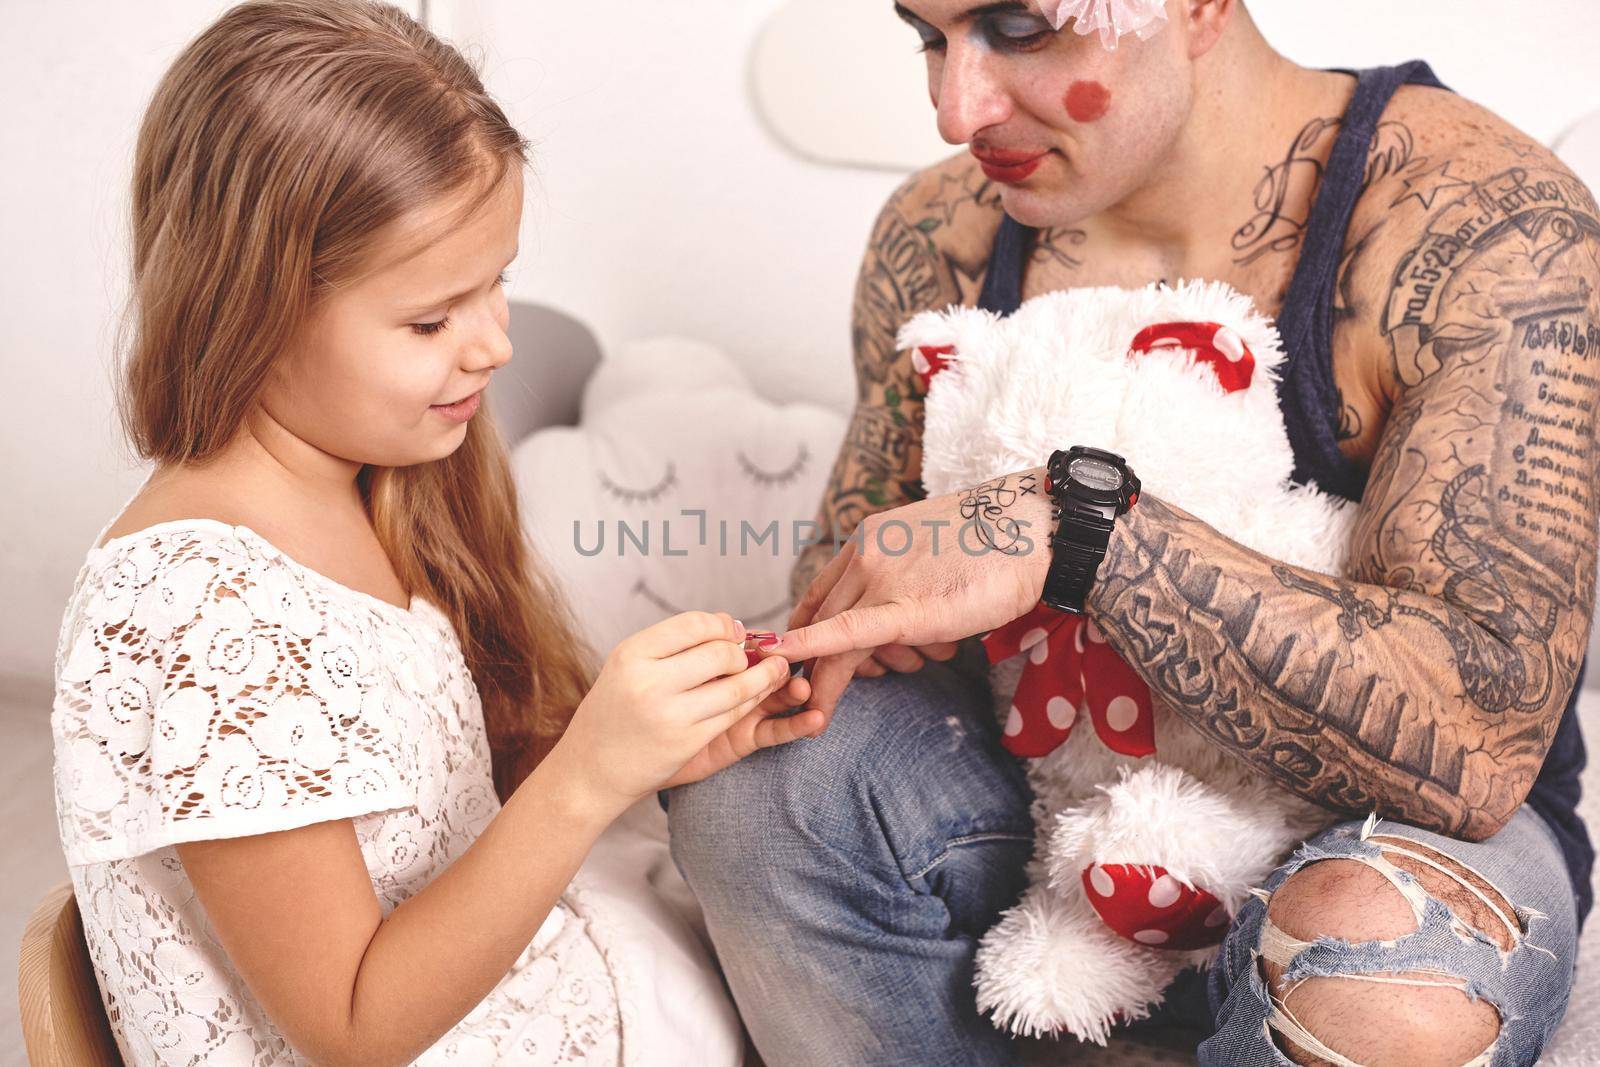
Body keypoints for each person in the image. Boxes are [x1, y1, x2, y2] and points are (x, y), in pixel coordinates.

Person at [667, 1, 1598, 1064]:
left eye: (1018, 28)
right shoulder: (941, 236)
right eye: (928, 37)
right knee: (752, 786)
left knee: (1385, 973)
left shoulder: (1481, 224)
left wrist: (1081, 530)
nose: (951, 110)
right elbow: (853, 600)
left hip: (1379, 836)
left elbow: (1479, 744)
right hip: (1042, 821)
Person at [50, 2, 822, 1064]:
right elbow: (352, 1026)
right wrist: (586, 775)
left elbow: (429, 820)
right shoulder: (201, 606)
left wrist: (648, 749)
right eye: (432, 318)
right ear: (250, 308)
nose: (495, 343)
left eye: (498, 281)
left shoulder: (375, 483)